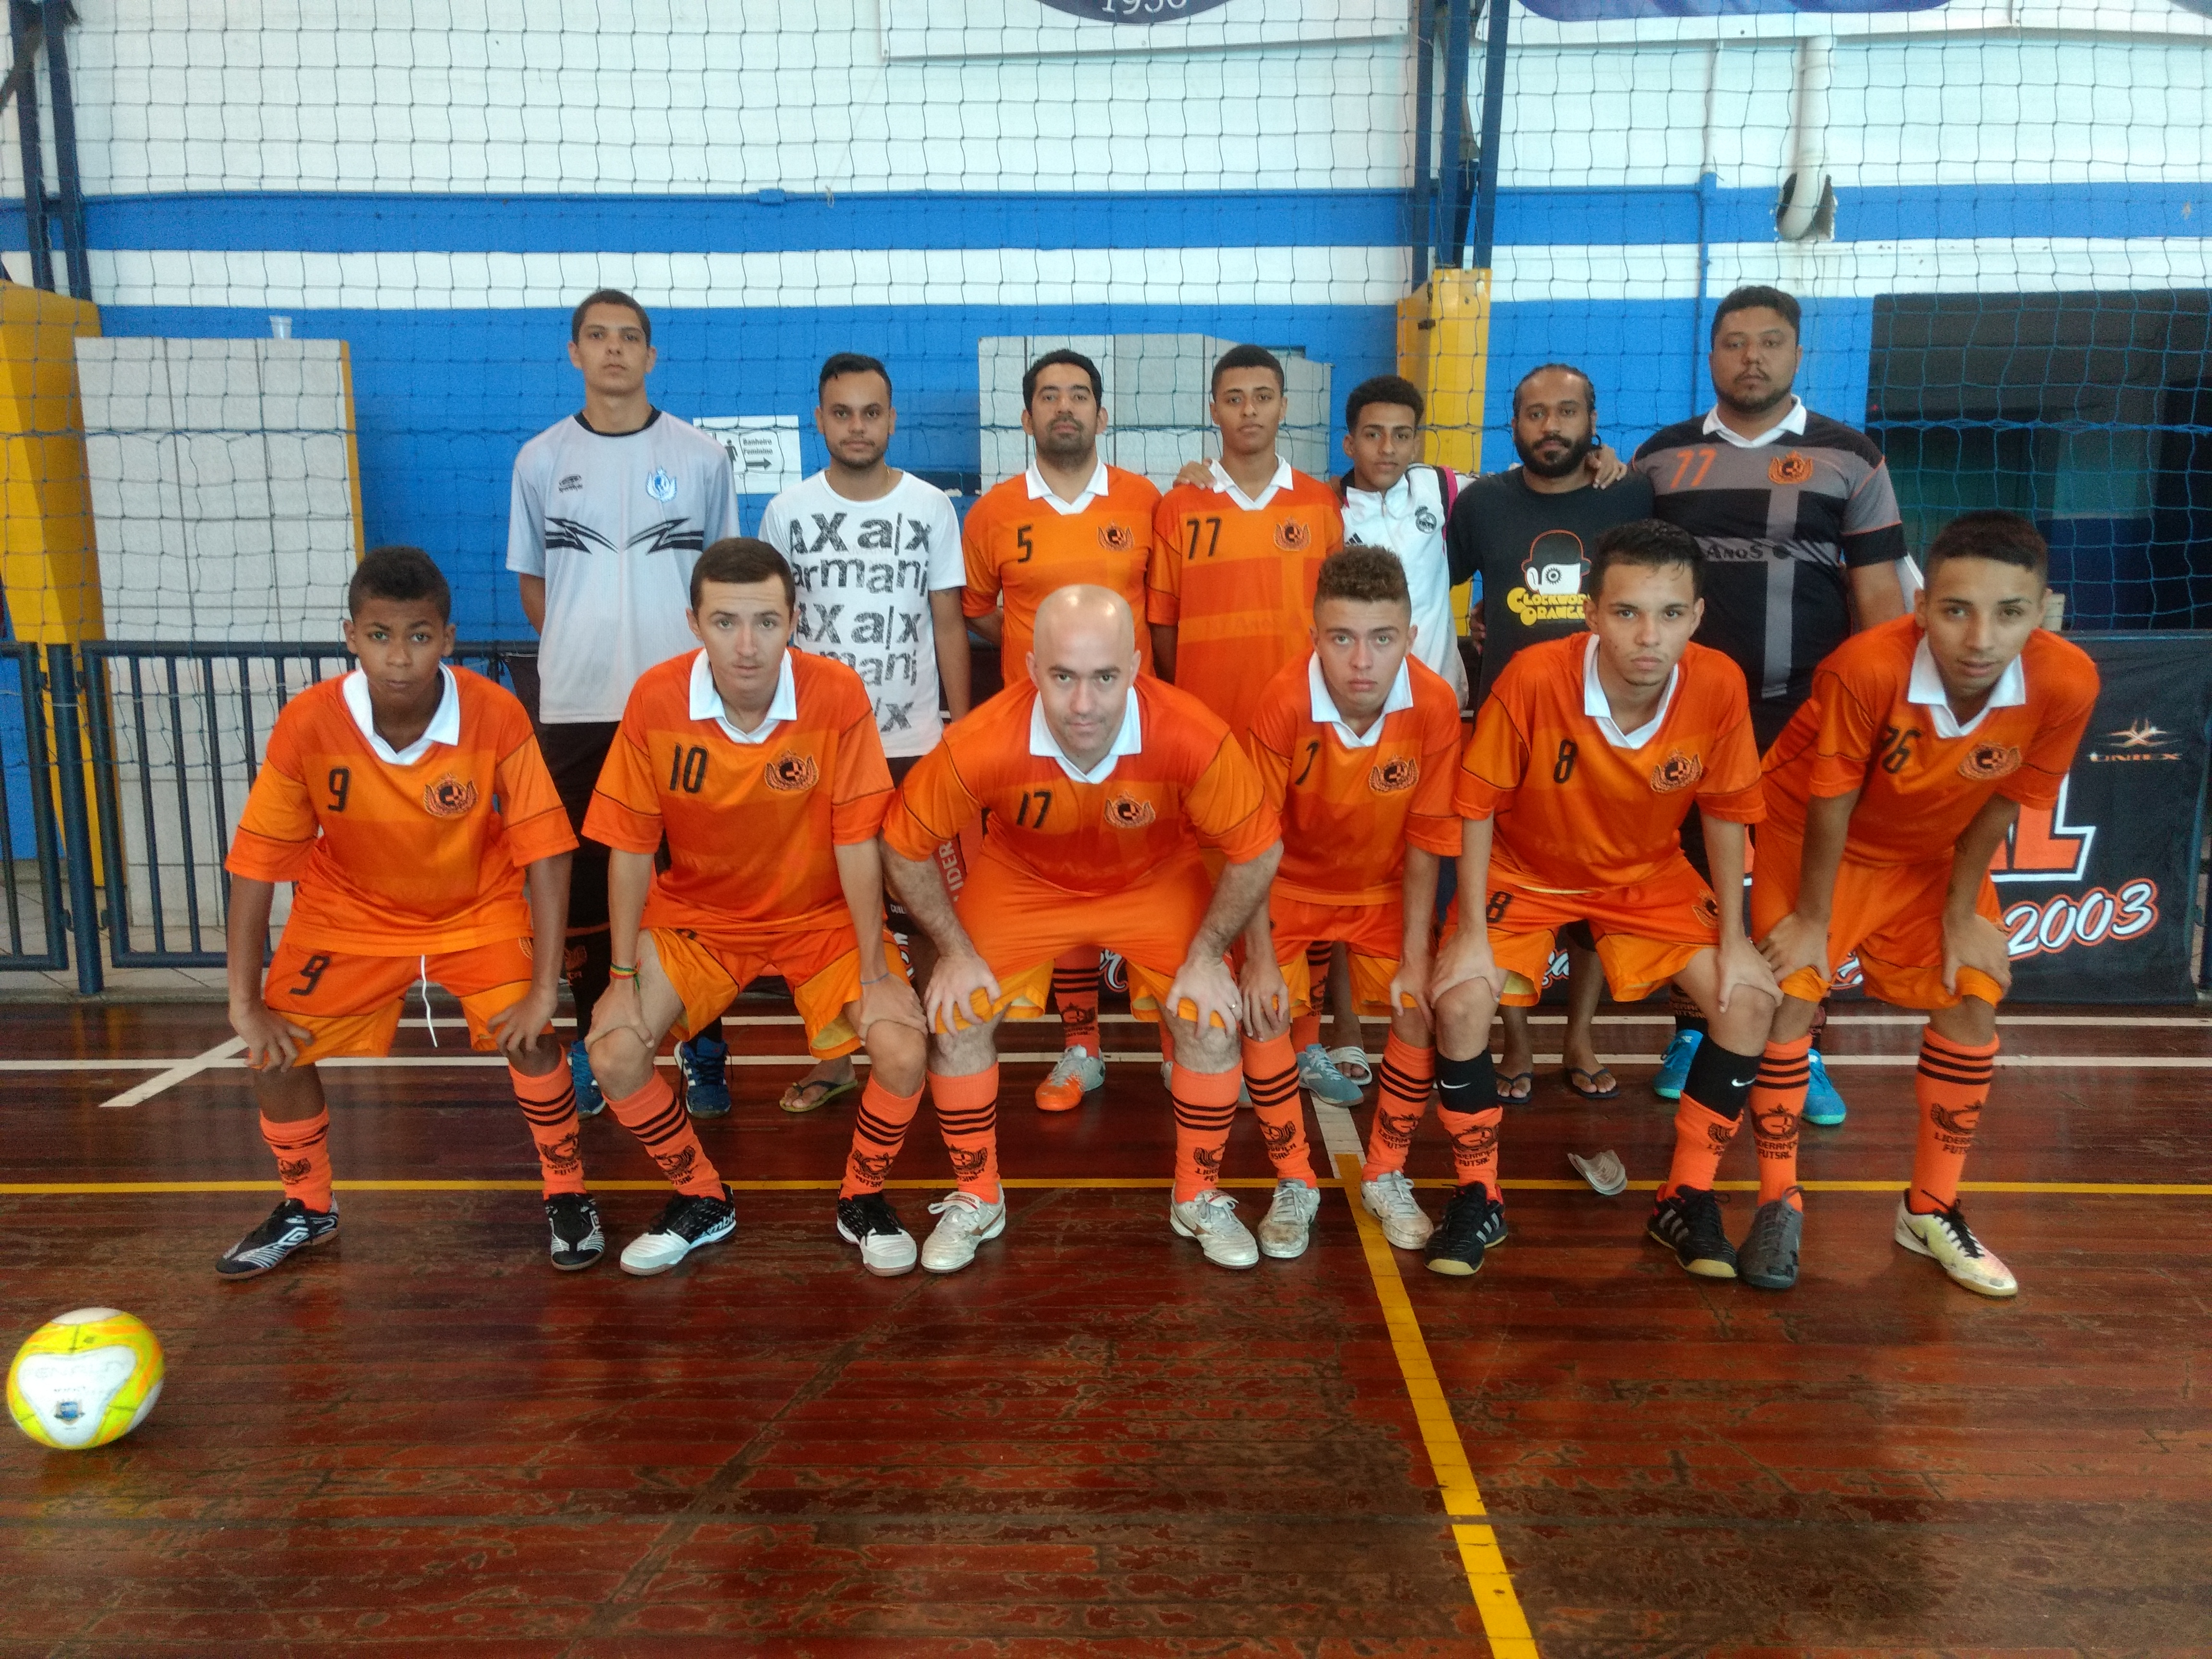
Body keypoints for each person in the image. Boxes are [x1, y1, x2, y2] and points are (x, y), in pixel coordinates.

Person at [216, 547, 599, 1278]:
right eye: (381, 636)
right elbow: (257, 862)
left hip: (476, 903)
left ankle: (567, 1191)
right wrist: (242, 1004)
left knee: (531, 1034)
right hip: (349, 909)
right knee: (273, 1046)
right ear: (351, 636)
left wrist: (544, 988)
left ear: (447, 639)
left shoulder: (494, 713)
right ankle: (309, 1206)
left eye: (419, 636)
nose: (400, 657)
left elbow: (546, 852)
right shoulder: (308, 723)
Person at [879, 586, 1285, 1274]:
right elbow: (902, 846)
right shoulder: (980, 742)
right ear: (1032, 669)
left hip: (1152, 875)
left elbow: (1258, 849)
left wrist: (1210, 954)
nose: (1085, 704)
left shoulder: (1190, 733)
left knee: (1209, 1016)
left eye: (1104, 678)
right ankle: (980, 1195)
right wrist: (952, 951)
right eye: (1063, 677)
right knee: (955, 1015)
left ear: (1135, 666)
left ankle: (1200, 1195)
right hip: (1026, 879)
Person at [1743, 511, 2097, 1294]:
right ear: (1921, 605)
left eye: (2009, 613)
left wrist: (1962, 913)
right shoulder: (1865, 668)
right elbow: (1831, 799)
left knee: (1973, 998)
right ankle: (1778, 1201)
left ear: (2039, 613)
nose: (1980, 638)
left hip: (1934, 850)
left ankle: (1930, 1208)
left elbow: (2005, 803)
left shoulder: (2068, 680)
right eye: (1956, 609)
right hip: (1812, 839)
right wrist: (1811, 919)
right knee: (1790, 1001)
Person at [1429, 520, 1780, 1280]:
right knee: (1458, 1001)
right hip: (1524, 869)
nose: (1647, 636)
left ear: (1697, 617)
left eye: (1669, 614)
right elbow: (1477, 804)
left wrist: (1739, 937)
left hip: (1645, 874)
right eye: (1626, 612)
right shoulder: (1531, 676)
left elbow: (1724, 811)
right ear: (1591, 613)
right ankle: (1478, 1195)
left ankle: (1687, 1195)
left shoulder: (1718, 684)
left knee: (1747, 1000)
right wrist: (1467, 934)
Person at [581, 538, 931, 1277]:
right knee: (613, 1050)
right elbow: (632, 847)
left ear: (794, 620)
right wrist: (618, 975)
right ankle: (702, 1197)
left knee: (902, 1045)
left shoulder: (835, 694)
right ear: (694, 623)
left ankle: (861, 1197)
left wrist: (873, 967)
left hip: (820, 919)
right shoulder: (655, 699)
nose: (747, 646)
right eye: (726, 623)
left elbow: (857, 841)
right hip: (701, 921)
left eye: (767, 622)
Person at [1635, 284, 1910, 1126]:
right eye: (1734, 343)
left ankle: (1800, 1045)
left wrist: (1878, 717)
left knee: (1794, 884)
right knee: (1692, 869)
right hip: (1690, 714)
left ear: (1798, 355)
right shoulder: (1661, 459)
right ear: (1711, 355)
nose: (1751, 358)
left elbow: (1882, 608)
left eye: (1770, 342)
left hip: (1806, 713)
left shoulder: (1850, 457)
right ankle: (1695, 1029)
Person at [507, 289, 737, 1117]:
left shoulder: (704, 457)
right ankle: (594, 1042)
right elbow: (537, 587)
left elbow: (723, 586)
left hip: (683, 710)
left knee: (692, 883)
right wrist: (587, 649)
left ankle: (704, 1050)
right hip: (574, 707)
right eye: (597, 337)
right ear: (575, 352)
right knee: (586, 889)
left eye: (630, 338)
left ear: (652, 355)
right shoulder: (538, 460)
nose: (614, 350)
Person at [1238, 546, 1465, 1263]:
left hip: (1383, 888)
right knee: (1265, 1007)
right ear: (1314, 636)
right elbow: (1251, 845)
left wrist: (1417, 957)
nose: (1361, 661)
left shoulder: (1432, 705)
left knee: (1418, 1003)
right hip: (1289, 883)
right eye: (1341, 638)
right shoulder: (1280, 701)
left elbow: (1430, 840)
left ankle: (1386, 1172)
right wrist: (1259, 962)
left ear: (1410, 636)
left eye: (1381, 638)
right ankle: (1294, 1180)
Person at [758, 352, 968, 1118]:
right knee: (827, 906)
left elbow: (948, 621)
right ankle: (834, 1055)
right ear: (820, 421)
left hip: (910, 736)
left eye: (870, 412)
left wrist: (961, 727)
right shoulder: (786, 511)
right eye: (841, 413)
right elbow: (772, 623)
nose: (856, 426)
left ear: (891, 418)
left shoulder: (930, 508)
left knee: (922, 900)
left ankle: (926, 1037)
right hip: (818, 745)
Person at [960, 349, 1167, 1113]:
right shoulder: (992, 512)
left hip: (1134, 736)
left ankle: (1182, 1045)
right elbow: (978, 610)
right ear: (1027, 419)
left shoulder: (1148, 502)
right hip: (1034, 739)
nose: (1065, 408)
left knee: (1156, 878)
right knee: (1060, 876)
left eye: (1079, 395)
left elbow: (1166, 606)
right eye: (1049, 397)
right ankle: (1082, 1047)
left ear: (1102, 415)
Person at [1448, 364, 1656, 1105]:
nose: (1551, 427)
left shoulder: (1631, 495)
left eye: (1567, 412)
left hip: (1613, 734)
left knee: (1591, 898)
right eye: (1535, 414)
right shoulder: (1482, 505)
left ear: (1592, 418)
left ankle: (1580, 1036)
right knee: (1511, 896)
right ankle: (1516, 1040)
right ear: (1514, 427)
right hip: (1512, 736)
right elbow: (1422, 574)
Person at [1151, 343, 1350, 1106]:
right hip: (1209, 734)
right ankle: (1193, 1037)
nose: (1249, 411)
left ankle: (1301, 1041)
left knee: (1300, 883)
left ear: (1283, 406)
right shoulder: (1180, 505)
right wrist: (1194, 702)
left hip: (1302, 733)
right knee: (1203, 892)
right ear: (1214, 408)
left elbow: (1336, 626)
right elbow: (1164, 629)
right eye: (1234, 398)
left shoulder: (1318, 506)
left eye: (1263, 396)